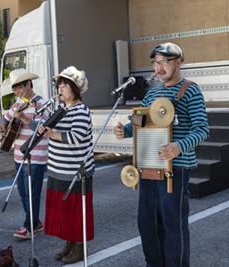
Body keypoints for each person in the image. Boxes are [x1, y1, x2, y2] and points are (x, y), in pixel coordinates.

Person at [113, 43, 209, 267]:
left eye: (164, 61)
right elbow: (143, 123)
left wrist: (178, 146)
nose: (159, 67)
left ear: (178, 63)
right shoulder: (152, 94)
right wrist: (125, 130)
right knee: (147, 223)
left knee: (173, 224)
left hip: (176, 167)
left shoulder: (190, 90)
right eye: (156, 63)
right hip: (149, 165)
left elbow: (202, 129)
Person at [37, 66, 94, 264]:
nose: (60, 90)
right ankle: (70, 243)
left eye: (64, 86)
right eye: (58, 86)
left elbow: (76, 137)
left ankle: (80, 247)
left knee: (77, 211)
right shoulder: (60, 110)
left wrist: (51, 133)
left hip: (75, 171)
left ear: (75, 89)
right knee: (64, 211)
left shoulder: (81, 110)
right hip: (58, 169)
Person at [0, 68, 49, 239]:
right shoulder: (17, 104)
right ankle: (36, 221)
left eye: (19, 88)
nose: (17, 92)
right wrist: (3, 124)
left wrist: (26, 119)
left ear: (28, 84)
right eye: (14, 89)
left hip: (36, 155)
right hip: (19, 155)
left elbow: (43, 130)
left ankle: (29, 226)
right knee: (22, 191)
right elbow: (5, 118)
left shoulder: (42, 104)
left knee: (32, 191)